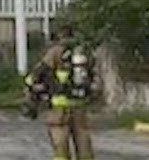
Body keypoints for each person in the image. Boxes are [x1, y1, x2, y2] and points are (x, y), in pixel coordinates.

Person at [26, 23, 97, 160]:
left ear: (58, 35)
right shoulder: (83, 52)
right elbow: (93, 77)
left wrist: (33, 90)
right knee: (83, 141)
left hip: (59, 107)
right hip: (80, 105)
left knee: (60, 145)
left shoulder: (55, 52)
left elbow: (35, 75)